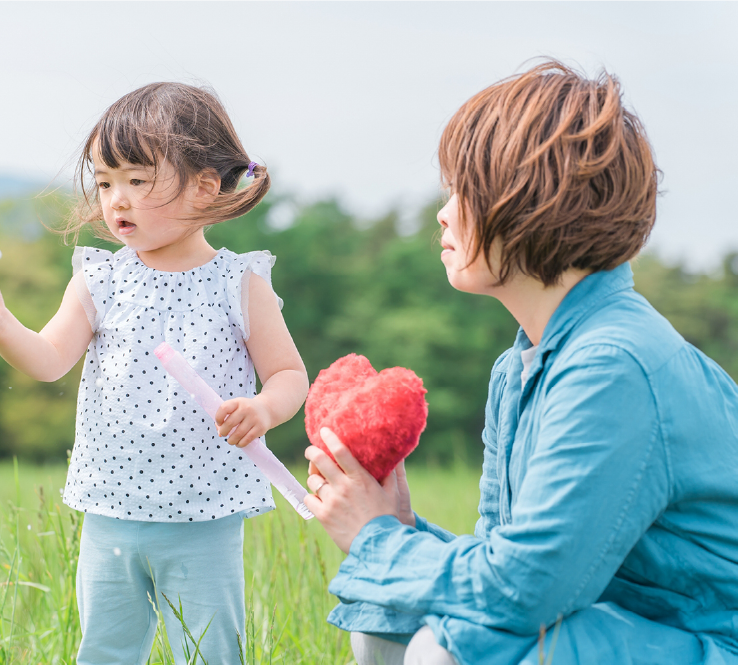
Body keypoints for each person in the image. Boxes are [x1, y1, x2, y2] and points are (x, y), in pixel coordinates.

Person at [304, 60, 739, 666]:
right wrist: (398, 527)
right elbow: (505, 562)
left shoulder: (613, 365)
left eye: (462, 191)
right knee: (390, 624)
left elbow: (527, 593)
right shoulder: (521, 367)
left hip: (710, 644)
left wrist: (376, 541)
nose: (443, 212)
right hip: (624, 632)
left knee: (442, 647)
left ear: (532, 201)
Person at [0, 82, 309, 665]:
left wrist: (264, 409)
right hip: (110, 509)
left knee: (210, 651)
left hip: (205, 512)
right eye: (104, 182)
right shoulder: (100, 278)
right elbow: (48, 360)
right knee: (106, 650)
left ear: (204, 185)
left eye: (137, 180)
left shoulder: (239, 283)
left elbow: (289, 374)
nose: (115, 200)